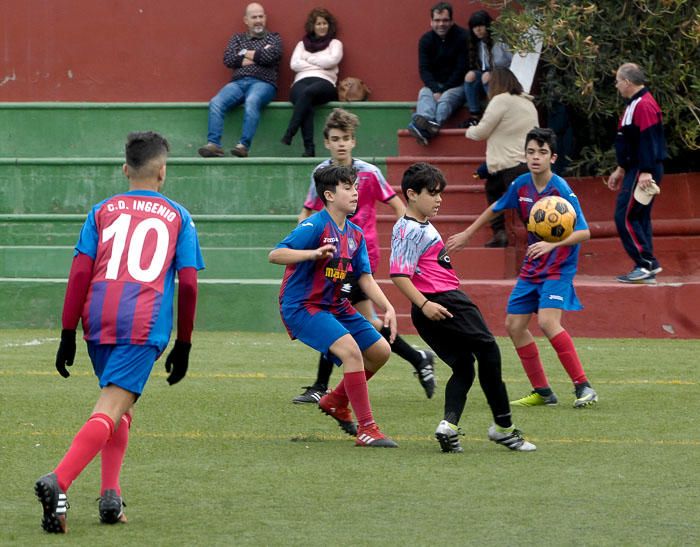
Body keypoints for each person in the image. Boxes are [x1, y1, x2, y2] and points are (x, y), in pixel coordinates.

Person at [34, 131, 205, 533]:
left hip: (97, 319)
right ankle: (58, 481)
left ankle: (111, 497)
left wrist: (66, 332)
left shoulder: (101, 210)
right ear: (163, 171)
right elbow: (190, 283)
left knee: (119, 407)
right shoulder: (179, 216)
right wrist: (184, 342)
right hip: (142, 325)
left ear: (125, 169)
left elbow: (79, 272)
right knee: (110, 408)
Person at [446, 128, 598, 409]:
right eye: (531, 152)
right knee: (514, 326)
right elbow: (496, 208)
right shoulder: (521, 185)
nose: (535, 157)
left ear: (552, 157)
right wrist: (468, 233)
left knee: (547, 322)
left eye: (542, 152)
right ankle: (542, 391)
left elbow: (584, 231)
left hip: (558, 268)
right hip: (532, 268)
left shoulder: (561, 189)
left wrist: (552, 245)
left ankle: (583, 386)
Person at [390, 162, 536, 453]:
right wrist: (425, 303)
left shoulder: (418, 226)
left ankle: (449, 426)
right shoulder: (408, 229)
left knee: (464, 366)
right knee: (489, 351)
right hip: (443, 302)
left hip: (432, 307)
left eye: (440, 193)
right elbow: (398, 274)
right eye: (432, 193)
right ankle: (503, 428)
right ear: (412, 194)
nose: (439, 199)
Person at [294, 108, 436, 405]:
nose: (342, 144)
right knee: (364, 320)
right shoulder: (321, 174)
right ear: (327, 143)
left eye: (346, 138)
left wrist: (406, 243)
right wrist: (302, 243)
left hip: (360, 256)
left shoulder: (369, 173)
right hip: (332, 254)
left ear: (354, 141)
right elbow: (310, 208)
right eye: (336, 139)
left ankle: (322, 386)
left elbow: (399, 207)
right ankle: (418, 358)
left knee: (331, 311)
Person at [269, 164, 398, 448]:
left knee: (380, 352)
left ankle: (336, 401)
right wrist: (311, 253)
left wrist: (387, 306)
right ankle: (367, 429)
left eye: (355, 187)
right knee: (352, 352)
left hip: (335, 305)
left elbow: (364, 277)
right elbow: (276, 254)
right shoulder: (314, 225)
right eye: (348, 188)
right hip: (303, 306)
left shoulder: (355, 234)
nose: (355, 192)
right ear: (329, 195)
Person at [606, 62, 667, 284]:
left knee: (625, 215)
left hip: (643, 169)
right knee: (639, 217)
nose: (617, 86)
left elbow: (648, 140)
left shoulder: (644, 105)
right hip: (636, 168)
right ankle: (645, 265)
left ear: (628, 82)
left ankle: (646, 263)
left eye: (618, 81)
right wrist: (621, 168)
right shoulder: (635, 104)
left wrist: (646, 171)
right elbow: (630, 142)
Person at [465, 67, 539, 247]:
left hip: (507, 163)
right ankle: (503, 235)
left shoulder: (500, 100)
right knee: (517, 202)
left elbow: (481, 131)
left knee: (507, 202)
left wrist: (469, 130)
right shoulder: (528, 103)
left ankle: (504, 234)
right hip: (525, 162)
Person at [198, 3, 282, 158]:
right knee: (216, 102)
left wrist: (243, 53)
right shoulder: (237, 38)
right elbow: (229, 59)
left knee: (252, 101)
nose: (258, 20)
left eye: (260, 16)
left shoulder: (274, 38)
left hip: (263, 83)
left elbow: (271, 56)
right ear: (246, 20)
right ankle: (214, 145)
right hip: (238, 83)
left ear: (265, 18)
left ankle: (243, 146)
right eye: (254, 17)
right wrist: (258, 56)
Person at [281, 7, 342, 158]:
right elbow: (294, 65)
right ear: (312, 26)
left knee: (308, 93)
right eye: (318, 24)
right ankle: (309, 149)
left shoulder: (335, 43)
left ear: (329, 25)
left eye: (324, 23)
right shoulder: (302, 44)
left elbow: (332, 60)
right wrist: (319, 63)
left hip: (325, 82)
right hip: (300, 81)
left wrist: (307, 59)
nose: (322, 27)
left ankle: (291, 131)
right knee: (304, 98)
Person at [407, 2, 468, 146]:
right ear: (431, 21)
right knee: (424, 93)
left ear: (451, 21)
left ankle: (426, 127)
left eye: (445, 20)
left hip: (457, 85)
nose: (441, 24)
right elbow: (424, 69)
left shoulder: (463, 37)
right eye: (437, 20)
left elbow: (461, 69)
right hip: (434, 85)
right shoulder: (426, 40)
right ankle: (427, 124)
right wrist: (435, 89)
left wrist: (443, 90)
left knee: (444, 101)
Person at [462, 10, 513, 127]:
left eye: (481, 26)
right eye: (474, 27)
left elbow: (514, 62)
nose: (478, 30)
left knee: (486, 76)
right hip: (487, 76)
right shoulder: (478, 43)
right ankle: (474, 116)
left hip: (505, 75)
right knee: (470, 76)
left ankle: (496, 113)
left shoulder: (500, 41)